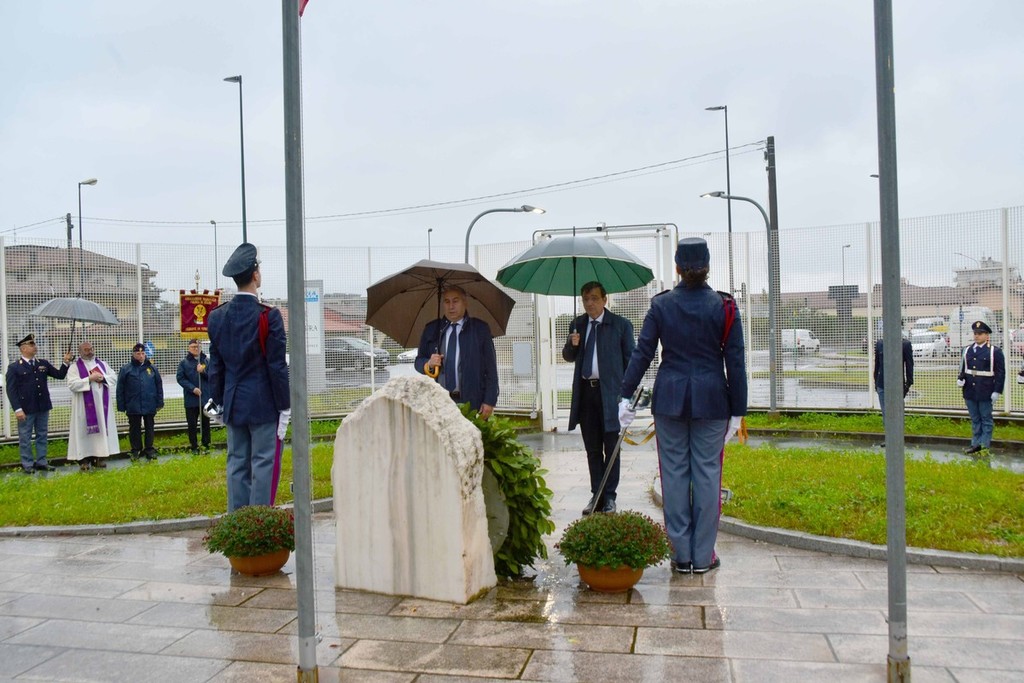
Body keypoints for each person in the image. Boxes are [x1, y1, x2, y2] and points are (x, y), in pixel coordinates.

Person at [620, 237, 747, 575]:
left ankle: (680, 555)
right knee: (707, 476)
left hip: (670, 400)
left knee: (674, 475)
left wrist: (624, 394)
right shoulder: (725, 307)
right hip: (713, 401)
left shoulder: (661, 306)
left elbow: (643, 352)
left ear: (676, 267)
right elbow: (735, 362)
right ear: (708, 268)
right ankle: (704, 557)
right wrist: (739, 410)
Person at [207, 243, 291, 512]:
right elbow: (276, 366)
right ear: (255, 275)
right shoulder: (269, 316)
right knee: (263, 462)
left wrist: (218, 401)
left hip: (233, 402)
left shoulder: (217, 317)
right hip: (264, 403)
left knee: (236, 462)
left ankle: (237, 524)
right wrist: (285, 406)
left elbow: (216, 365)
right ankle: (259, 524)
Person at [562, 281, 635, 515]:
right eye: (585, 299)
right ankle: (597, 495)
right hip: (587, 394)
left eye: (594, 298)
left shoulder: (621, 326)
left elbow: (631, 362)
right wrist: (572, 345)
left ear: (605, 299)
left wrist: (628, 397)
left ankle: (610, 497)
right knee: (593, 449)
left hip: (611, 395)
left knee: (611, 448)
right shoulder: (578, 325)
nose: (589, 303)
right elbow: (568, 356)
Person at [415, 284, 499, 419]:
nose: (451, 306)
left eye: (455, 301)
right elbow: (418, 361)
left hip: (472, 403)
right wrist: (428, 364)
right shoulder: (432, 330)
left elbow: (491, 369)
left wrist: (489, 400)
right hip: (439, 403)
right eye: (447, 302)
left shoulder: (480, 329)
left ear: (465, 303)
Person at [5, 334, 72, 474]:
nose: (35, 346)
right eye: (31, 344)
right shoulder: (14, 367)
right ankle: (27, 464)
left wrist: (65, 362)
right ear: (23, 348)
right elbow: (11, 390)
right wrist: (17, 409)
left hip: (42, 406)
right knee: (25, 437)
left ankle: (42, 461)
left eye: (34, 344)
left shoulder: (42, 363)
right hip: (26, 408)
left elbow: (59, 375)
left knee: (42, 434)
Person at [67, 341, 119, 472]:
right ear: (80, 352)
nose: (89, 351)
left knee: (101, 429)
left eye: (91, 349)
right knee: (83, 431)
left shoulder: (102, 364)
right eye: (86, 350)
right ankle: (83, 459)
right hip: (83, 407)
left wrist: (102, 377)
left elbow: (113, 377)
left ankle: (99, 457)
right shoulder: (74, 367)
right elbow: (72, 384)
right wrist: (89, 379)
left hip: (101, 406)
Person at [956, 320, 1005, 454]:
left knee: (986, 419)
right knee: (975, 419)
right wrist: (960, 379)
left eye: (980, 333)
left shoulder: (994, 351)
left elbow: (1000, 373)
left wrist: (997, 391)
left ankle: (984, 446)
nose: (977, 336)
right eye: (975, 333)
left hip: (985, 390)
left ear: (987, 335)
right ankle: (975, 444)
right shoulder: (967, 350)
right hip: (970, 391)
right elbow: (962, 367)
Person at [117, 343, 164, 461]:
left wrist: (159, 402)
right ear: (133, 354)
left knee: (150, 426)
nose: (141, 356)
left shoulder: (152, 368)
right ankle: (135, 450)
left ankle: (149, 449)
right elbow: (120, 388)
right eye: (138, 354)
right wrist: (121, 405)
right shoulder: (126, 369)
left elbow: (159, 385)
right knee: (134, 428)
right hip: (133, 404)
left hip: (149, 403)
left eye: (143, 353)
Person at [872, 335, 913, 443]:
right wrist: (876, 382)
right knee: (886, 413)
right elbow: (877, 365)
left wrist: (908, 384)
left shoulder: (905, 344)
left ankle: (897, 438)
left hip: (897, 385)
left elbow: (909, 365)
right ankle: (889, 439)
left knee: (897, 412)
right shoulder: (880, 344)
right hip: (882, 384)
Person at [176, 338, 211, 454]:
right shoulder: (184, 363)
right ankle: (194, 446)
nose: (196, 349)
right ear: (189, 348)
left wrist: (203, 372)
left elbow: (212, 376)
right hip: (191, 399)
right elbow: (180, 378)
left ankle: (206, 444)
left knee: (205, 423)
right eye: (193, 347)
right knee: (192, 424)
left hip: (204, 398)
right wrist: (193, 388)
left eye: (197, 347)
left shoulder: (206, 360)